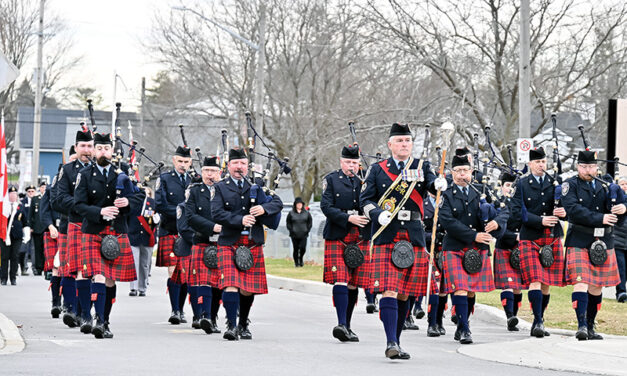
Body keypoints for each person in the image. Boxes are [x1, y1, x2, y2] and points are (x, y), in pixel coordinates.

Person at [360, 123, 444, 359]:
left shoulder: (421, 166)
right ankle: (391, 341)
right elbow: (365, 200)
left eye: (407, 141)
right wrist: (378, 214)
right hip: (387, 233)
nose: (404, 144)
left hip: (414, 235)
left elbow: (431, 186)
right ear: (390, 145)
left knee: (406, 293)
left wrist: (438, 185)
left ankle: (396, 340)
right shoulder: (378, 170)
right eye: (399, 141)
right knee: (389, 290)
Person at [74, 132, 145, 339]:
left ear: (112, 151)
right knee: (98, 274)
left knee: (110, 280)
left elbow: (140, 194)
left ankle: (104, 321)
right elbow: (78, 205)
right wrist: (100, 212)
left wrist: (129, 202)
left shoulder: (123, 172)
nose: (103, 152)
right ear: (94, 151)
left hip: (117, 231)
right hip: (94, 230)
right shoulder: (85, 175)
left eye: (106, 148)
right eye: (99, 148)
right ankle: (97, 319)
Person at [211, 148, 283, 341]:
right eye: (235, 163)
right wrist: (239, 220)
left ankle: (243, 323)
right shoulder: (220, 187)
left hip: (252, 242)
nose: (239, 167)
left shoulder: (256, 186)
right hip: (230, 241)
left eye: (243, 163)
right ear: (229, 166)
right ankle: (231, 326)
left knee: (247, 288)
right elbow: (216, 213)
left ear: (247, 166)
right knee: (230, 284)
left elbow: (277, 203)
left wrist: (264, 208)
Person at [439, 154, 507, 344]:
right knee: (460, 287)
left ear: (471, 172)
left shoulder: (482, 190)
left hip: (478, 249)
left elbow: (505, 210)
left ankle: (462, 324)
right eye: (458, 171)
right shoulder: (445, 193)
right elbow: (447, 221)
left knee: (470, 291)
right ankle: (466, 330)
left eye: (466, 171)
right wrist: (473, 235)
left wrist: (496, 222)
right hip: (455, 246)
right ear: (451, 173)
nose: (462, 175)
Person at [561, 150, 625, 340]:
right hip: (580, 239)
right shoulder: (570, 185)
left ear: (597, 167)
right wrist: (602, 217)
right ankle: (580, 325)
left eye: (591, 166)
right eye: (584, 166)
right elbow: (573, 210)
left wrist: (623, 208)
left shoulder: (607, 186)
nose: (587, 170)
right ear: (577, 166)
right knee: (581, 282)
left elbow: (622, 202)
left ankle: (590, 325)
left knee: (597, 286)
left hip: (604, 241)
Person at [511, 147, 566, 338]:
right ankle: (538, 321)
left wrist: (563, 212)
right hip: (531, 235)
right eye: (537, 162)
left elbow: (566, 206)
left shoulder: (555, 183)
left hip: (551, 236)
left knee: (546, 283)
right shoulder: (522, 184)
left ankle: (539, 318)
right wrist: (540, 220)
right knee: (535, 279)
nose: (541, 165)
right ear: (530, 164)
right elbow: (518, 211)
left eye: (543, 162)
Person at [320, 145, 371, 342]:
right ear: (341, 162)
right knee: (340, 278)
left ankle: (347, 326)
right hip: (338, 234)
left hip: (360, 236)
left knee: (353, 283)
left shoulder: (366, 179)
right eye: (348, 162)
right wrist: (348, 219)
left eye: (355, 162)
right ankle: (340, 323)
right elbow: (326, 206)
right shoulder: (331, 179)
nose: (352, 166)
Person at [52, 127, 94, 331]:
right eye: (83, 146)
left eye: (89, 146)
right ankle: (75, 311)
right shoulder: (66, 170)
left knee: (92, 272)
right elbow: (59, 199)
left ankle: (83, 312)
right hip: (75, 224)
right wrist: (84, 206)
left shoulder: (100, 169)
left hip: (96, 226)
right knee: (74, 268)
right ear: (76, 148)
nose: (86, 150)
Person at [155, 145, 192, 325]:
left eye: (186, 162)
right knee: (173, 271)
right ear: (174, 160)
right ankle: (174, 310)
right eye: (180, 161)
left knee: (184, 273)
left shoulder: (195, 180)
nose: (183, 165)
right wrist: (181, 213)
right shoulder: (164, 179)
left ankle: (182, 309)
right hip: (170, 229)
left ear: (190, 162)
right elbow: (160, 204)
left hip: (189, 233)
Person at [185, 156, 223, 334]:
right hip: (202, 239)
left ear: (220, 173)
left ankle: (213, 318)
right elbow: (190, 217)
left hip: (223, 241)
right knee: (205, 281)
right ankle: (205, 316)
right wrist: (212, 227)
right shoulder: (194, 191)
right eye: (207, 171)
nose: (210, 174)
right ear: (202, 173)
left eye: (214, 171)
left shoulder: (225, 189)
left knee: (218, 283)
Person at [493, 172, 525, 331]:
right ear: (501, 186)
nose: (510, 188)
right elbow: (497, 228)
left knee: (518, 286)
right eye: (507, 185)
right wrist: (515, 236)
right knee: (507, 284)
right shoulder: (497, 203)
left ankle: (514, 317)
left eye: (513, 186)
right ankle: (509, 316)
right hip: (504, 246)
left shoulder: (521, 202)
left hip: (519, 249)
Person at [128, 186, 159, 297]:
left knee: (144, 264)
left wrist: (156, 218)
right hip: (134, 235)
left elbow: (157, 216)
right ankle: (133, 288)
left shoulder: (152, 203)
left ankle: (142, 287)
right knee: (134, 262)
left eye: (146, 192)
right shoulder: (133, 201)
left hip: (147, 236)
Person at [40, 171, 63, 317]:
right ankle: (56, 303)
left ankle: (70, 305)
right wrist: (50, 226)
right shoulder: (50, 188)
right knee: (56, 267)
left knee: (72, 270)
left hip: (73, 231)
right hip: (54, 231)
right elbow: (44, 211)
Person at [1, 186, 30, 285]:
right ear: (8, 195)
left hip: (17, 236)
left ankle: (13, 278)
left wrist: (26, 234)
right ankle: (3, 278)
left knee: (15, 256)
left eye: (15, 194)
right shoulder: (3, 206)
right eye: (11, 194)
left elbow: (25, 221)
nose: (13, 196)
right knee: (4, 257)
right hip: (5, 235)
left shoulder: (20, 206)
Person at [286, 197, 312, 267]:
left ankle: (301, 259)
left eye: (300, 204)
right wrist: (291, 230)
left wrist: (307, 230)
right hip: (294, 235)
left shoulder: (307, 213)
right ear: (295, 205)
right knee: (296, 249)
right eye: (298, 204)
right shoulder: (291, 213)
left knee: (303, 248)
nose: (299, 205)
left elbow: (309, 223)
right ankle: (296, 263)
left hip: (304, 234)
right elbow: (288, 223)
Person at [29, 182, 47, 275]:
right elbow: (30, 214)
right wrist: (31, 227)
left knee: (47, 249)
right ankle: (39, 268)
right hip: (37, 228)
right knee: (38, 249)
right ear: (39, 188)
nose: (43, 188)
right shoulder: (35, 199)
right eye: (42, 187)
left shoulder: (50, 198)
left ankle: (47, 267)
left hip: (47, 227)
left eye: (45, 187)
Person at [18, 185, 37, 275]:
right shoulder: (22, 202)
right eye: (29, 191)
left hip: (34, 228)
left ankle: (34, 267)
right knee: (24, 249)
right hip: (25, 228)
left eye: (32, 191)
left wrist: (32, 227)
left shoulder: (38, 201)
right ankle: (24, 267)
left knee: (33, 249)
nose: (31, 193)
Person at [615, 176, 627, 303]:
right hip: (617, 240)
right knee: (621, 267)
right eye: (622, 184)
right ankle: (621, 291)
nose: (624, 186)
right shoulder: (615, 199)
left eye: (626, 184)